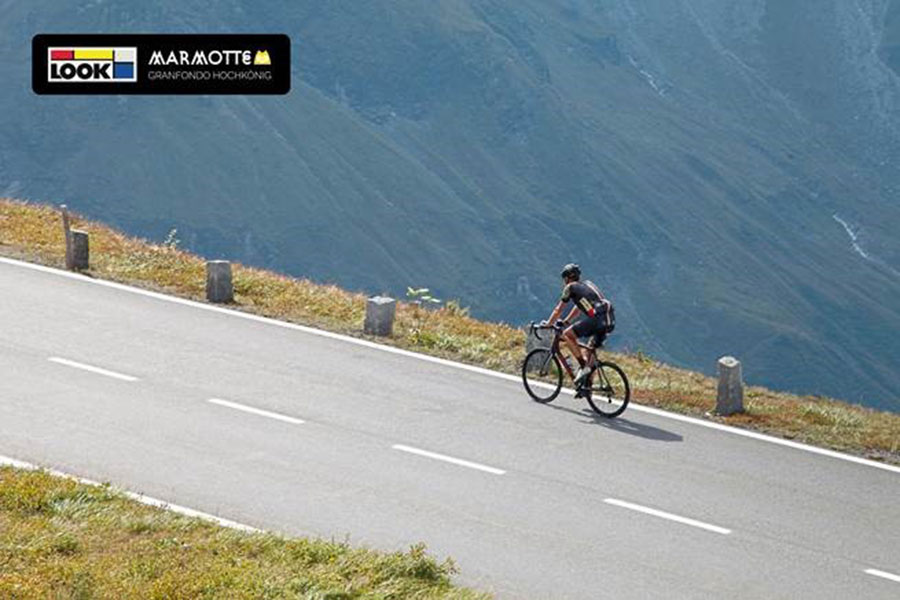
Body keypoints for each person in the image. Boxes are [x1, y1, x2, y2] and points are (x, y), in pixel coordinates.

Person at [543, 263, 614, 396]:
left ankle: (582, 367)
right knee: (589, 354)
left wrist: (548, 324)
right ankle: (587, 388)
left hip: (597, 319)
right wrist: (567, 321)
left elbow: (558, 309)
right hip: (609, 319)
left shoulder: (569, 288)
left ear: (567, 279)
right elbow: (580, 307)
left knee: (568, 335)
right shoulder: (588, 284)